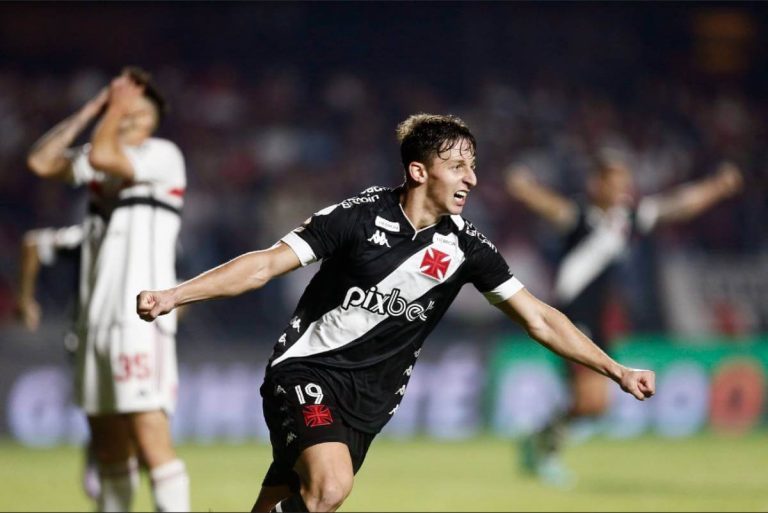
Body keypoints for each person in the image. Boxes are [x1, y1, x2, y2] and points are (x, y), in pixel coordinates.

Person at [137, 114, 655, 513]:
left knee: (286, 504)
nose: (472, 178)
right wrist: (174, 295)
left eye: (473, 166)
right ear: (418, 170)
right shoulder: (356, 218)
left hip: (371, 402)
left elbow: (539, 317)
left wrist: (616, 370)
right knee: (331, 487)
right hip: (309, 371)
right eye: (459, 166)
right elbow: (266, 265)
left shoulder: (467, 248)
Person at [505, 154, 743, 486]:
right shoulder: (579, 217)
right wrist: (523, 188)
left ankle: (539, 441)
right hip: (572, 318)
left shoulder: (626, 219)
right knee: (591, 401)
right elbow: (549, 206)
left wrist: (716, 188)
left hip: (601, 321)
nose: (621, 191)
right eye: (614, 184)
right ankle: (543, 450)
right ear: (596, 184)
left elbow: (676, 206)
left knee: (595, 406)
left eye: (624, 185)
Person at [27, 66, 189, 512]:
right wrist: (90, 110)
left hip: (141, 319)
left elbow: (100, 157)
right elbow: (40, 161)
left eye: (138, 116)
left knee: (151, 441)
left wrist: (114, 110)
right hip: (93, 324)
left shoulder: (161, 155)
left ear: (152, 124)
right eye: (124, 114)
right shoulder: (102, 159)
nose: (129, 121)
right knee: (110, 452)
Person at [15, 223, 101, 502]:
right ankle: (99, 460)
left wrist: (25, 300)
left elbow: (32, 244)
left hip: (134, 344)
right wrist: (25, 300)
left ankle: (99, 460)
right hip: (92, 342)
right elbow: (33, 245)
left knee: (131, 426)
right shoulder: (89, 235)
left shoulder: (159, 235)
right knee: (112, 417)